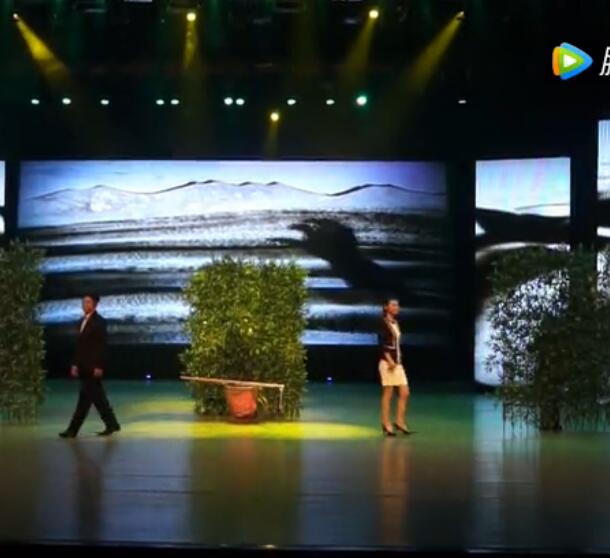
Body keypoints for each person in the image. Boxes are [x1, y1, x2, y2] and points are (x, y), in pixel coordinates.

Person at [59, 294, 121, 438]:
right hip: (83, 366)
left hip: (92, 367)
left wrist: (99, 366)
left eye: (88, 302)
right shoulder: (81, 321)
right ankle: (112, 424)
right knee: (96, 399)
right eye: (83, 302)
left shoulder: (100, 322)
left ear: (95, 304)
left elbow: (101, 346)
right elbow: (79, 346)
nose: (84, 304)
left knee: (85, 400)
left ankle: (72, 430)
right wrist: (75, 364)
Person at [378, 298, 411, 436]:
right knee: (388, 393)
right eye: (393, 305)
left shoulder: (395, 322)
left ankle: (399, 421)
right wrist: (389, 360)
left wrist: (398, 358)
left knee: (405, 392)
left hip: (397, 363)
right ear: (386, 307)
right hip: (387, 363)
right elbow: (382, 343)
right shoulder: (383, 323)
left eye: (397, 305)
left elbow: (396, 343)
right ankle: (386, 423)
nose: (396, 307)